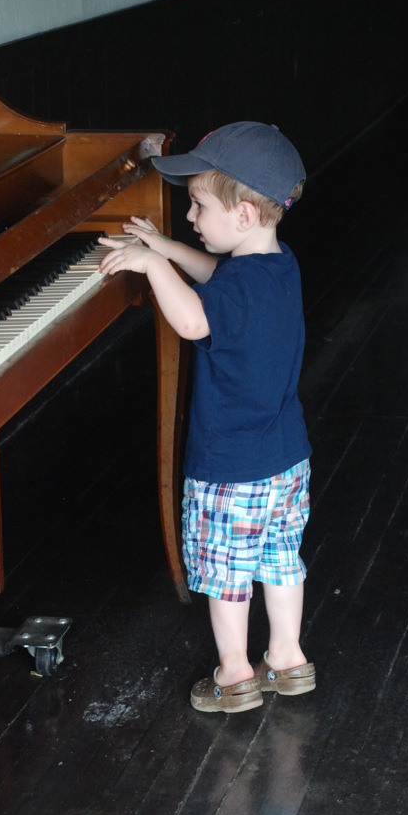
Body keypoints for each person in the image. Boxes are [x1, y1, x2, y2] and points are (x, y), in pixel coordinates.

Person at [99, 121, 315, 713]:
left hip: (229, 469)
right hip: (286, 461)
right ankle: (288, 657)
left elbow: (194, 318)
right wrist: (166, 248)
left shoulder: (229, 292)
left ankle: (235, 673)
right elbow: (217, 277)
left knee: (226, 574)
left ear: (242, 215)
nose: (190, 216)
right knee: (280, 560)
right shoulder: (277, 265)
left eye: (198, 205)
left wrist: (151, 266)